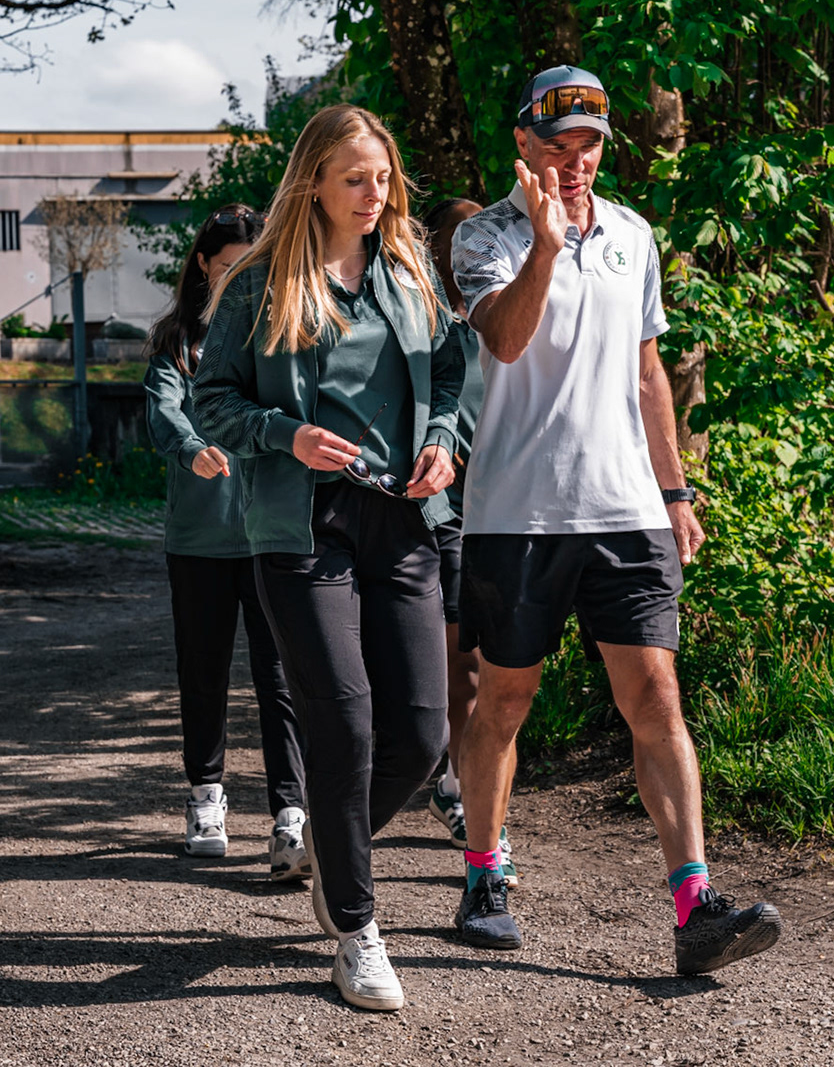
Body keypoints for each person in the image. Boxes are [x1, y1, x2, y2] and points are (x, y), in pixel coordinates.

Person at [448, 66, 783, 976]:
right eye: (558, 145)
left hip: (625, 511)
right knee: (505, 701)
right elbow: (507, 339)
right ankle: (484, 875)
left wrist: (675, 494)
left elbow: (647, 377)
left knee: (657, 700)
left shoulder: (635, 234)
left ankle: (695, 905)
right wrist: (548, 247)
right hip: (515, 516)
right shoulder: (484, 239)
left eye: (590, 143)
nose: (576, 160)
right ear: (524, 144)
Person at [194, 103, 464, 1012]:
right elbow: (213, 401)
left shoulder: (408, 265)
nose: (374, 194)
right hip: (301, 528)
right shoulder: (263, 283)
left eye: (383, 177)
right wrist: (286, 434)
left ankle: (331, 846)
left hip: (403, 523)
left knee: (422, 735)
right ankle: (357, 928)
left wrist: (441, 440)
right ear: (314, 178)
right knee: (343, 727)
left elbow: (453, 370)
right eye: (356, 178)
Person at [143, 205, 309, 880]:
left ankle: (291, 815)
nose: (241, 273)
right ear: (204, 267)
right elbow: (164, 412)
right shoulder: (179, 343)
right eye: (228, 262)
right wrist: (191, 448)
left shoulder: (286, 332)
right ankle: (206, 799)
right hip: (201, 540)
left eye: (252, 261)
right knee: (203, 671)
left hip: (272, 534)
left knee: (283, 678)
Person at [416, 197, 515, 884]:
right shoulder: (427, 328)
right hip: (443, 511)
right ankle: (450, 781)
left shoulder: (511, 318)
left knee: (487, 671)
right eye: (455, 245)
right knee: (457, 666)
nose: (466, 256)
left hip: (505, 511)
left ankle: (470, 796)